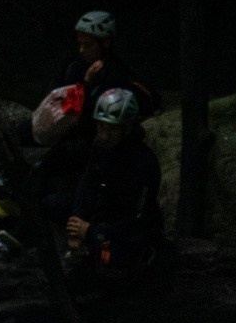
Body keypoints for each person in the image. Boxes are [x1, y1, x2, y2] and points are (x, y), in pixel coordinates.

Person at [0, 9, 155, 248]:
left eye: (88, 45)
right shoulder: (77, 67)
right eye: (80, 44)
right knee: (11, 137)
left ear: (105, 44)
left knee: (41, 180)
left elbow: (142, 100)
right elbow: (59, 92)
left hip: (82, 142)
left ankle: (20, 235)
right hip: (64, 131)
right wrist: (82, 84)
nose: (82, 50)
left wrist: (97, 86)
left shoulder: (116, 75)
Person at [39, 86, 165, 282]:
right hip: (102, 213)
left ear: (126, 128)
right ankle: (70, 255)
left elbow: (136, 219)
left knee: (120, 255)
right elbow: (88, 185)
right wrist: (76, 222)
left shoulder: (143, 163)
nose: (104, 134)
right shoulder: (102, 148)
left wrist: (91, 232)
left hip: (127, 228)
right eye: (101, 126)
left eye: (112, 129)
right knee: (51, 204)